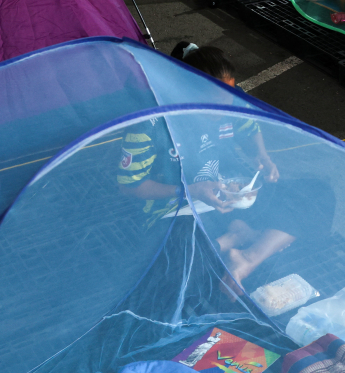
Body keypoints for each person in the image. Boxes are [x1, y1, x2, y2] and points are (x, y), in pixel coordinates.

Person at [118, 42, 302, 285]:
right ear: (184, 92)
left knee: (313, 196)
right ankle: (235, 239)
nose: (224, 108)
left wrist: (261, 155)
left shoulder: (230, 102)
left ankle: (247, 258)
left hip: (228, 199)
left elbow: (249, 129)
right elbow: (129, 186)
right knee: (173, 259)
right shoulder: (150, 123)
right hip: (175, 210)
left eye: (229, 99)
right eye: (214, 102)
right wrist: (188, 191)